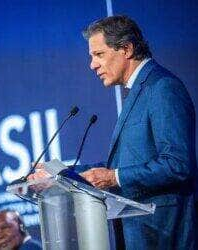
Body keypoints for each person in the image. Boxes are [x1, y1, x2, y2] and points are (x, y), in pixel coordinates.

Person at [28, 15, 197, 249]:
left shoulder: (162, 88)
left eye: (99, 54)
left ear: (126, 49)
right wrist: (60, 174)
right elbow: (124, 164)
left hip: (163, 235)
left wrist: (113, 177)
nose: (92, 65)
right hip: (139, 235)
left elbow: (178, 165)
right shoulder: (137, 91)